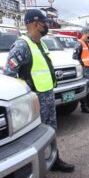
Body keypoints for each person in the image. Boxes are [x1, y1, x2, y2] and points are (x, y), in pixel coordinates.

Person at [4, 9, 74, 172]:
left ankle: (54, 160)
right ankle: (35, 168)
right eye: (45, 23)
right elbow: (9, 75)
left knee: (51, 131)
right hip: (34, 101)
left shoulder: (40, 43)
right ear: (35, 24)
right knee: (35, 137)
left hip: (47, 96)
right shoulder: (22, 45)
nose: (47, 26)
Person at [73, 27, 89, 114]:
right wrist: (82, 65)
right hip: (84, 69)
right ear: (85, 33)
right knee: (86, 87)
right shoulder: (79, 43)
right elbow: (75, 57)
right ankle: (84, 107)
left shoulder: (86, 43)